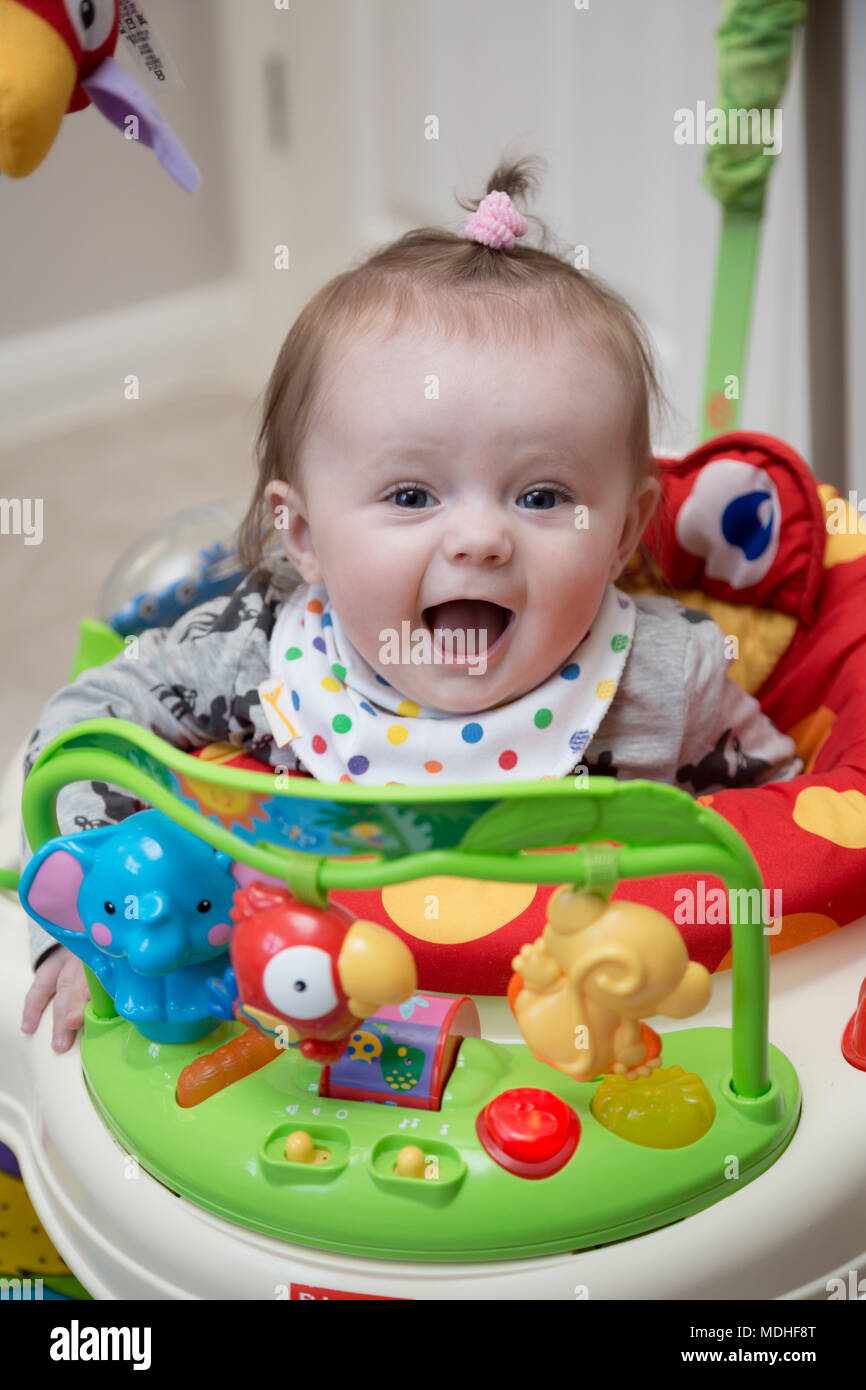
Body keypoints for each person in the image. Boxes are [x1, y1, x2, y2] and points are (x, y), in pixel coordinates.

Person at [19, 157, 801, 1053]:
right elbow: (88, 723)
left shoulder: (671, 678)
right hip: (314, 1022)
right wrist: (92, 928)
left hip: (588, 1040)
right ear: (304, 535)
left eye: (542, 496)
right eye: (411, 495)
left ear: (625, 532)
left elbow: (784, 834)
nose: (480, 539)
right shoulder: (259, 654)